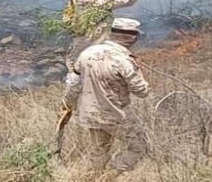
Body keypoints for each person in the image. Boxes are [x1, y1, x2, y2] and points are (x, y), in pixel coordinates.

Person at [64, 17, 150, 173]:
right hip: (117, 113)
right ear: (132, 38)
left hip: (91, 113)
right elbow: (142, 91)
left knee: (99, 151)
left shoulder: (86, 53)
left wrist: (67, 104)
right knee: (138, 147)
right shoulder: (124, 60)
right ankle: (111, 175)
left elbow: (73, 84)